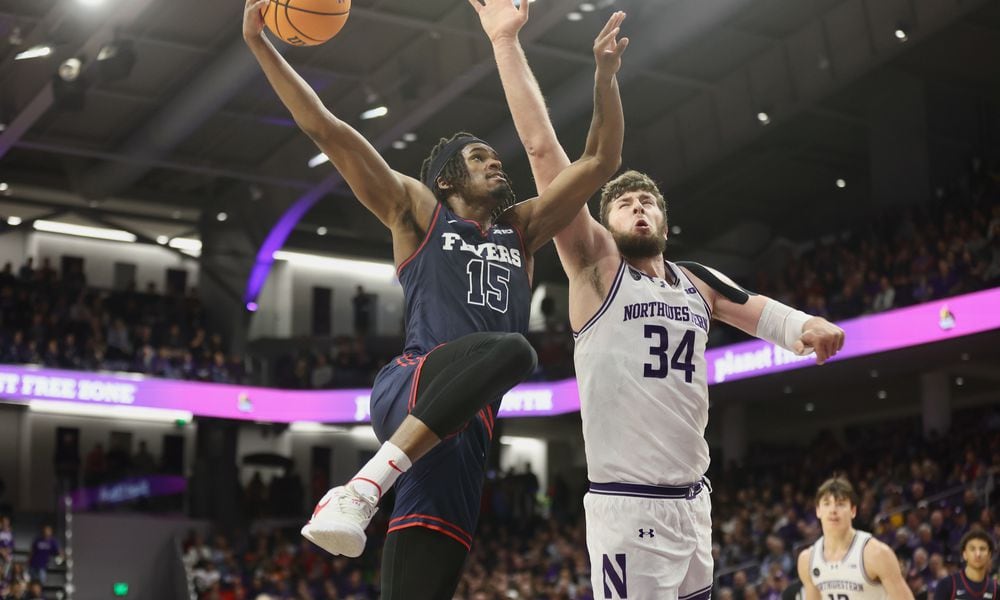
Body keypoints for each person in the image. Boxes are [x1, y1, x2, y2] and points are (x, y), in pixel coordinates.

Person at [242, 0, 626, 597]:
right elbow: (327, 129)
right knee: (515, 352)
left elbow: (602, 160)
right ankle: (361, 488)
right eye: (480, 158)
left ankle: (367, 493)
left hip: (464, 431)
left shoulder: (521, 228)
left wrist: (604, 76)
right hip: (415, 381)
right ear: (447, 178)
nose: (496, 163)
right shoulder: (417, 211)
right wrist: (262, 45)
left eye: (496, 157)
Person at [473, 0, 841, 597]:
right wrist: (506, 43)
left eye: (648, 202)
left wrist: (807, 326)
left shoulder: (696, 281)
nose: (638, 207)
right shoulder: (595, 265)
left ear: (665, 220)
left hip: (694, 505)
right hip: (628, 506)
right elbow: (544, 152)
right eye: (624, 202)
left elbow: (760, 312)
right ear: (601, 218)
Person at [798, 478, 913, 600]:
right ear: (818, 511)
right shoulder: (807, 560)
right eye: (827, 504)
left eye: (840, 504)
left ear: (853, 511)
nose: (833, 510)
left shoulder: (876, 553)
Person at [932, 530, 996, 600]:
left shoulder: (996, 589)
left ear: (989, 554)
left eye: (982, 549)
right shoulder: (947, 585)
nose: (978, 554)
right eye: (972, 549)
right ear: (964, 554)